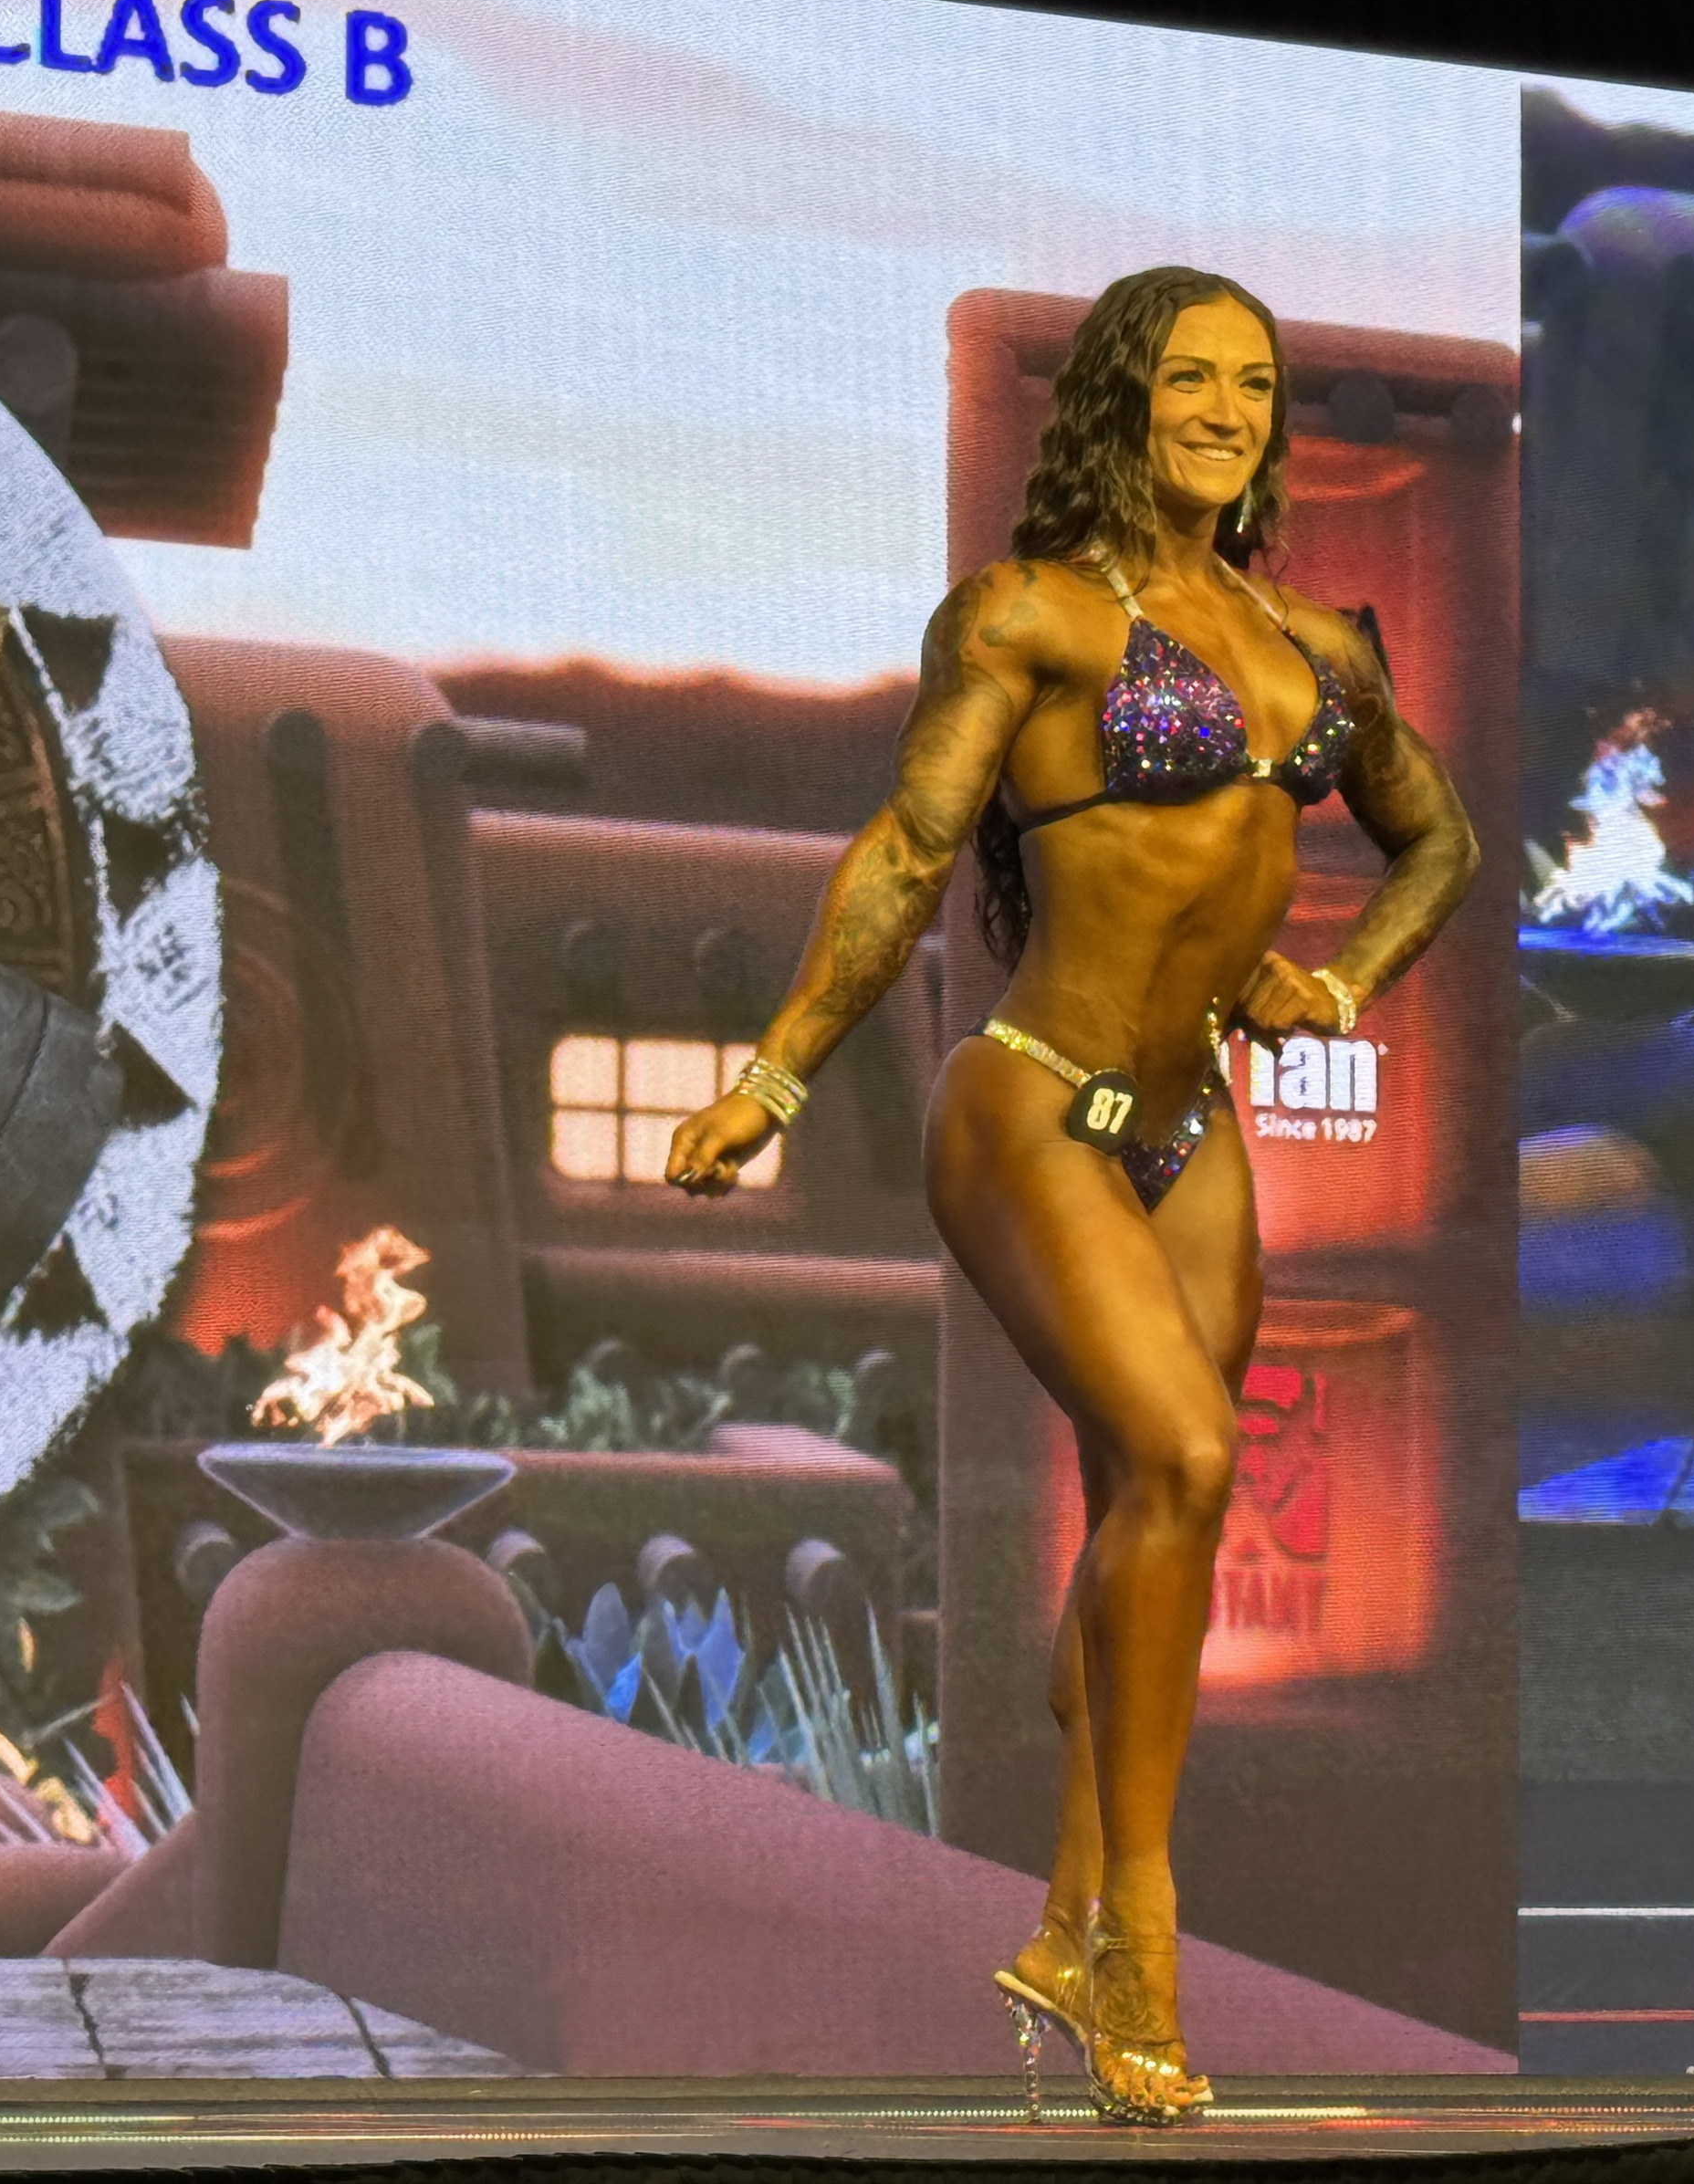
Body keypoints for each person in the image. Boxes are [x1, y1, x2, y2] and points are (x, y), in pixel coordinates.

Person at [665, 266, 1480, 2118]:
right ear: (1121, 396)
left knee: (1147, 1539)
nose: (1226, 410)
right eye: (1189, 376)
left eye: (1254, 383)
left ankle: (1054, 1922)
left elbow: (1438, 840)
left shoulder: (1314, 646)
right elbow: (903, 854)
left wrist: (1345, 984)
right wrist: (774, 1075)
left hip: (1195, 1136)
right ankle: (1139, 1943)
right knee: (1187, 1461)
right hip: (1030, 1105)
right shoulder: (1027, 614)